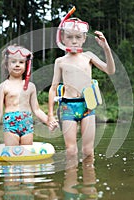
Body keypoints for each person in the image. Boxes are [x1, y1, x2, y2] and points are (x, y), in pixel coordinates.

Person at [48, 16, 115, 158]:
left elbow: (110, 70)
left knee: (88, 151)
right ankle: (71, 179)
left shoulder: (88, 57)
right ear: (63, 39)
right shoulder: (60, 61)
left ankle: (89, 179)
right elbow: (53, 89)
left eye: (78, 37)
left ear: (84, 38)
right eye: (70, 37)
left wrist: (106, 48)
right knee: (71, 151)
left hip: (87, 106)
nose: (74, 41)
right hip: (67, 107)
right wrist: (50, 114)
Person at [0, 44, 57, 151]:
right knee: (12, 153)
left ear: (26, 66)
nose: (17, 65)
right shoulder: (3, 86)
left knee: (26, 154)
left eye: (21, 62)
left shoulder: (30, 86)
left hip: (27, 124)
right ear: (6, 65)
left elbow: (37, 110)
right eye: (13, 62)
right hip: (11, 125)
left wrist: (48, 121)